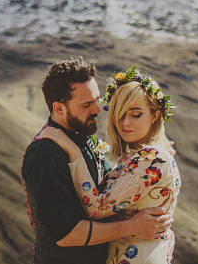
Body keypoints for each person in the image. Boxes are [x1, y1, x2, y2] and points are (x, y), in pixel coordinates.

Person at [22, 58, 172, 264]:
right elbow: (66, 234)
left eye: (96, 100)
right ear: (58, 109)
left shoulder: (83, 138)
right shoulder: (46, 152)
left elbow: (114, 192)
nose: (96, 110)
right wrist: (133, 227)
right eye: (86, 104)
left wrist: (161, 229)